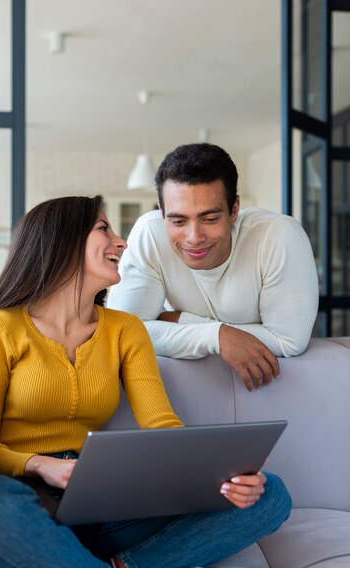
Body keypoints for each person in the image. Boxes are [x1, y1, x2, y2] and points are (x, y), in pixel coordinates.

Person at [0, 195, 292, 568]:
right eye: (104, 229)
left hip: (104, 505)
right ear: (61, 240)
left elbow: (161, 424)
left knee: (269, 494)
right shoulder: (2, 328)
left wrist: (215, 477)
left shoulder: (125, 329)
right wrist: (41, 465)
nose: (121, 243)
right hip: (28, 503)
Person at [108, 143, 319, 392]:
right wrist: (215, 336)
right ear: (162, 214)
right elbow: (122, 334)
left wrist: (182, 321)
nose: (194, 237)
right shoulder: (149, 234)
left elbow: (288, 342)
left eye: (210, 219)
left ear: (234, 210)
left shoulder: (278, 236)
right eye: (178, 220)